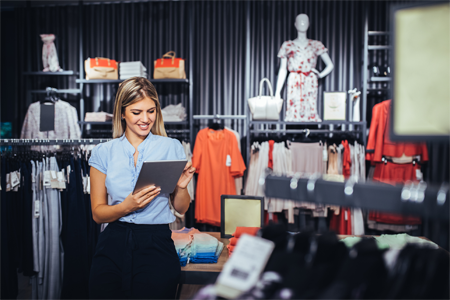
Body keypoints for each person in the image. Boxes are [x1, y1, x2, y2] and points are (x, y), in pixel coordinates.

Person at [88, 77, 195, 300]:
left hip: (156, 243)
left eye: (151, 111)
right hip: (113, 243)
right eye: (137, 112)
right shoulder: (102, 152)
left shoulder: (172, 146)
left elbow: (181, 208)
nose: (145, 119)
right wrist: (127, 206)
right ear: (122, 112)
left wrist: (182, 187)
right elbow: (98, 213)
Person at [275, 13, 334, 122]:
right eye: (300, 21)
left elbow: (330, 65)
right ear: (295, 25)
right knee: (294, 109)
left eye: (305, 21)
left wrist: (320, 75)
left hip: (310, 80)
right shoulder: (287, 45)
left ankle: (310, 135)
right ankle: (293, 136)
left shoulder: (316, 44)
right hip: (294, 80)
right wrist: (277, 92)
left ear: (309, 24)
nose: (302, 23)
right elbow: (283, 69)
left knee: (309, 108)